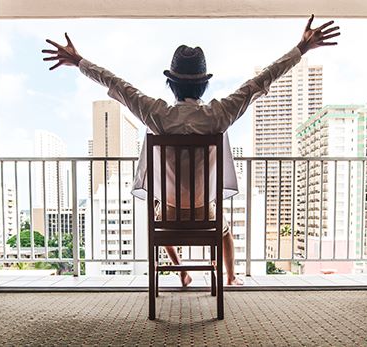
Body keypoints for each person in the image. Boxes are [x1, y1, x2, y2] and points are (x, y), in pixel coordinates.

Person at [42, 15, 340, 286]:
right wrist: (301, 48)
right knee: (223, 230)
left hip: (170, 215)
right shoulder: (217, 114)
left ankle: (181, 269)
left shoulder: (158, 114)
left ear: (170, 84)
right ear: (203, 85)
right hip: (203, 214)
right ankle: (231, 277)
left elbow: (116, 84)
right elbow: (260, 83)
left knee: (156, 215)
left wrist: (79, 61)